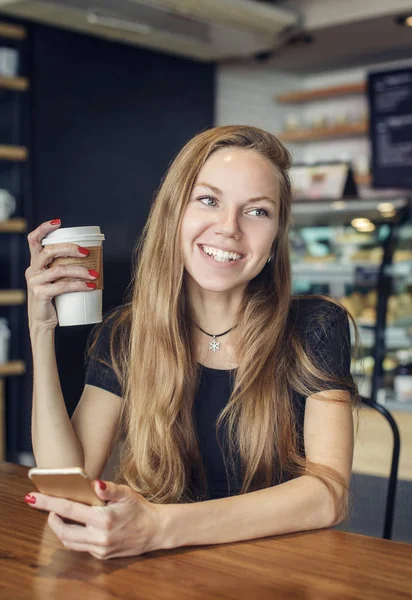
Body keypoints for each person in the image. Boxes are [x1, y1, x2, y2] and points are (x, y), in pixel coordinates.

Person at [24, 125, 359, 560]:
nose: (229, 228)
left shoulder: (314, 326)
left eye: (257, 212)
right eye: (209, 200)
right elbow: (69, 479)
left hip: (277, 574)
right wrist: (40, 329)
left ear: (277, 235)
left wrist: (161, 526)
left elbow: (327, 495)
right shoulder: (126, 334)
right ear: (174, 213)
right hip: (163, 575)